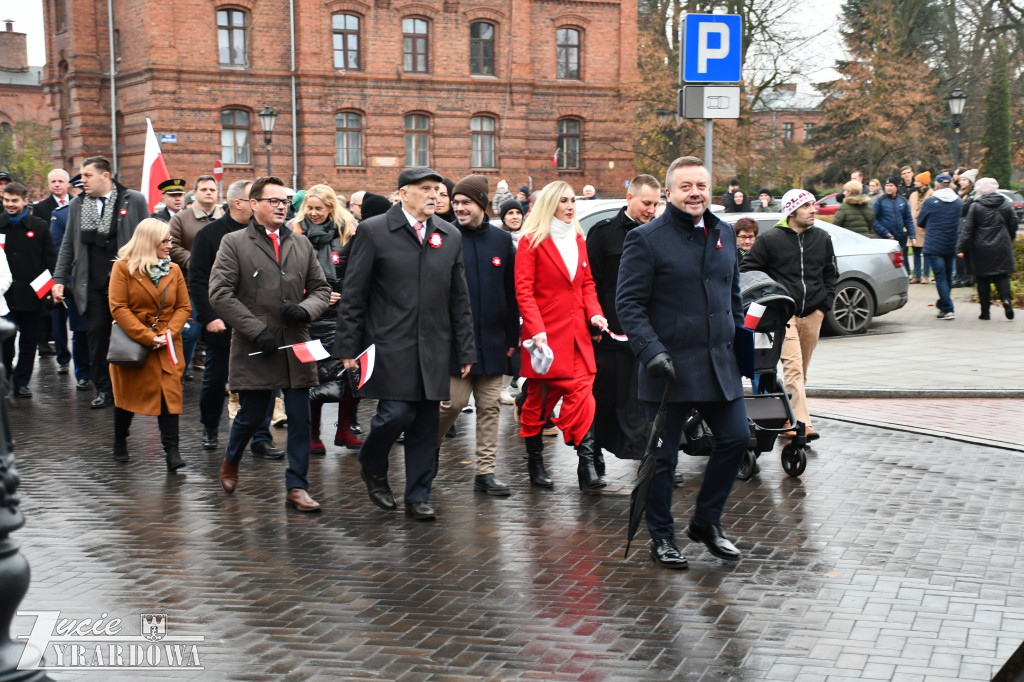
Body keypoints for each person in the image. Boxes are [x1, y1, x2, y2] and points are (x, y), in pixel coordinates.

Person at [616, 156, 748, 569]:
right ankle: (662, 536)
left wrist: (740, 341)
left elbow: (732, 296)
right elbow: (629, 304)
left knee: (737, 439)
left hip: (718, 365)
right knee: (663, 459)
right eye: (686, 186)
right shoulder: (647, 238)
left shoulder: (724, 232)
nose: (696, 193)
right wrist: (650, 350)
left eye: (702, 186)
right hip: (668, 368)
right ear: (669, 193)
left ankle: (706, 523)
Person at [335, 167, 476, 522]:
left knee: (426, 425)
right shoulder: (374, 230)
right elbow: (354, 293)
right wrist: (348, 346)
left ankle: (417, 495)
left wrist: (465, 349)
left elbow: (459, 297)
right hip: (389, 343)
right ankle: (371, 461)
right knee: (394, 414)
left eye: (437, 189)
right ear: (403, 193)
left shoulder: (449, 235)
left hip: (434, 344)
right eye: (425, 189)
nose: (434, 195)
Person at [209, 176, 332, 513]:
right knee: (252, 416)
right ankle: (232, 458)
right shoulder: (234, 243)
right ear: (254, 205)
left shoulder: (301, 244)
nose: (281, 206)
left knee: (300, 416)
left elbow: (321, 289)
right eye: (273, 201)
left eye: (285, 201)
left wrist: (304, 310)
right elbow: (220, 293)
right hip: (256, 346)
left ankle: (297, 487)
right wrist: (255, 329)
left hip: (295, 345)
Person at [514, 180, 607, 490]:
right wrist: (536, 329)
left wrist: (594, 313)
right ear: (550, 204)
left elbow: (586, 284)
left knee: (584, 395)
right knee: (537, 403)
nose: (570, 206)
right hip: (543, 338)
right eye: (564, 201)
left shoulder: (579, 239)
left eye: (573, 200)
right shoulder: (531, 241)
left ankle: (586, 466)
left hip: (577, 336)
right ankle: (535, 462)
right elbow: (524, 290)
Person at [435, 174, 519, 496]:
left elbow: (510, 293)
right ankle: (429, 448)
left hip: (494, 341)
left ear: (482, 203)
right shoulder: (444, 237)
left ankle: (485, 472)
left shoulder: (500, 241)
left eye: (465, 202)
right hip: (456, 343)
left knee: (490, 408)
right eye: (455, 203)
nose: (458, 208)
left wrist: (512, 336)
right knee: (451, 404)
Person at [189, 179, 284, 458]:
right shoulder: (210, 235)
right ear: (238, 203)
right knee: (216, 379)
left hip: (262, 323)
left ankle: (261, 437)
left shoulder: (269, 233)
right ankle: (209, 427)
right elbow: (198, 280)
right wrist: (208, 317)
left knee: (266, 381)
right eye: (252, 198)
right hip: (223, 322)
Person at [52, 156, 149, 409]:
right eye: (81, 176)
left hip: (127, 283)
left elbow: (148, 240)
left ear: (105, 176)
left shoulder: (133, 199)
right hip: (92, 284)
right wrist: (59, 279)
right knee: (96, 336)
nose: (81, 180)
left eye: (87, 175)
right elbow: (67, 245)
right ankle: (103, 389)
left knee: (130, 335)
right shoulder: (77, 204)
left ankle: (131, 387)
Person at [742, 189, 837, 442]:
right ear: (792, 210)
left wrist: (823, 305)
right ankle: (802, 424)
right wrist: (770, 297)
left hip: (813, 313)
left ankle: (786, 415)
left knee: (801, 371)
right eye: (807, 206)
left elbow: (831, 273)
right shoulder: (771, 239)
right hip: (784, 316)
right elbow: (747, 269)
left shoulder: (823, 238)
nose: (813, 210)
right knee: (793, 368)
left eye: (813, 205)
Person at [586, 174, 661, 470]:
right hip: (610, 332)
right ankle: (592, 451)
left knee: (642, 400)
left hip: (646, 333)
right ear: (630, 198)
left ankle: (649, 457)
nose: (651, 210)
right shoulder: (603, 233)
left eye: (656, 204)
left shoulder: (659, 233)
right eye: (646, 203)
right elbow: (590, 281)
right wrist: (593, 324)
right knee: (605, 397)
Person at [108, 218, 191, 470]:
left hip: (166, 345)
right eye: (164, 240)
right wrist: (146, 336)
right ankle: (120, 441)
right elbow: (118, 307)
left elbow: (183, 307)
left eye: (170, 240)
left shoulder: (173, 269)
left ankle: (172, 452)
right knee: (127, 399)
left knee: (169, 397)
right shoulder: (123, 268)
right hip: (134, 346)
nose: (170, 245)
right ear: (149, 242)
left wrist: (166, 334)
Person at [291, 184, 363, 453]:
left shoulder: (349, 232)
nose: (313, 213)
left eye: (318, 208)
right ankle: (312, 434)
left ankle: (344, 429)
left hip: (344, 313)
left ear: (331, 207)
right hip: (311, 315)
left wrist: (344, 295)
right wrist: (312, 294)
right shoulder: (295, 232)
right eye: (309, 208)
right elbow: (289, 273)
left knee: (348, 375)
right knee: (314, 375)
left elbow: (358, 269)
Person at [0, 182, 57, 398]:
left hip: (32, 296)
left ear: (25, 201)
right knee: (5, 342)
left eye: (14, 200)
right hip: (4, 297)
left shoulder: (39, 227)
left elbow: (50, 261)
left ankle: (22, 382)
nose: (10, 204)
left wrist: (45, 290)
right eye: (6, 200)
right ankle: (5, 380)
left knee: (28, 342)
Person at [957, 177, 1018, 320]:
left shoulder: (976, 206)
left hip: (981, 247)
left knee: (983, 278)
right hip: (1002, 245)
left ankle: (985, 312)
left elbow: (968, 229)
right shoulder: (1005, 203)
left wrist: (960, 248)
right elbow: (1014, 222)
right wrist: (1009, 236)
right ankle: (1006, 300)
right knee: (1002, 275)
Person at [916, 173, 962, 320]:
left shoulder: (930, 201)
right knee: (948, 276)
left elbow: (920, 222)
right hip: (951, 243)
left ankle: (948, 308)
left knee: (940, 277)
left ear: (936, 184)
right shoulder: (958, 201)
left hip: (934, 245)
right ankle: (943, 305)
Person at [873, 176, 914, 273]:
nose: (888, 188)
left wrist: (912, 235)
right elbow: (873, 220)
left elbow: (908, 218)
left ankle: (905, 277)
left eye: (891, 185)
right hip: (884, 238)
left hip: (900, 237)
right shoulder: (879, 201)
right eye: (887, 186)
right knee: (885, 262)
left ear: (896, 187)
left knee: (902, 261)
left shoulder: (902, 201)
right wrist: (885, 232)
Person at [908, 171, 934, 283]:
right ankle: (916, 275)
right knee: (916, 253)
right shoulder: (913, 195)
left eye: (917, 181)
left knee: (927, 253)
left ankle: (926, 275)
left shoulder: (931, 194)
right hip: (914, 227)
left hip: (926, 228)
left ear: (924, 183)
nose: (915, 183)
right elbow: (909, 210)